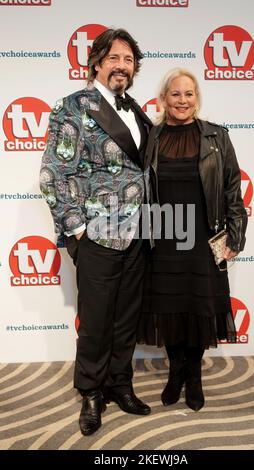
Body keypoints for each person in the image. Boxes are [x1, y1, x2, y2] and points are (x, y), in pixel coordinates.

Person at [40, 28, 153, 436]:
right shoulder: (73, 107)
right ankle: (90, 391)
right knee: (95, 320)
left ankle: (120, 384)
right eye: (115, 58)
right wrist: (78, 230)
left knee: (126, 317)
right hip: (97, 235)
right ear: (96, 63)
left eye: (129, 60)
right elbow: (54, 174)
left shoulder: (136, 109)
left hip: (139, 232)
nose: (122, 66)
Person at [137, 68, 248, 411]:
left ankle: (194, 375)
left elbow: (232, 186)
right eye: (175, 94)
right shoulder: (152, 137)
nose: (182, 100)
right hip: (165, 236)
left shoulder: (217, 137)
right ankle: (175, 373)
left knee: (199, 307)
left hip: (203, 237)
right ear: (164, 99)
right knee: (168, 308)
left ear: (196, 98)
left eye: (188, 94)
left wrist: (236, 234)